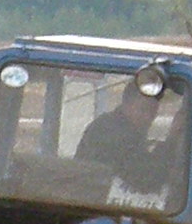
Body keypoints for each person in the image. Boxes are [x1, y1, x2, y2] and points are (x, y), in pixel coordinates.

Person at [74, 70, 180, 198]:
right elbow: (146, 178)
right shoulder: (111, 131)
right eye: (143, 109)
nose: (148, 117)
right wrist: (172, 139)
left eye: (153, 112)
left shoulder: (127, 130)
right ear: (126, 104)